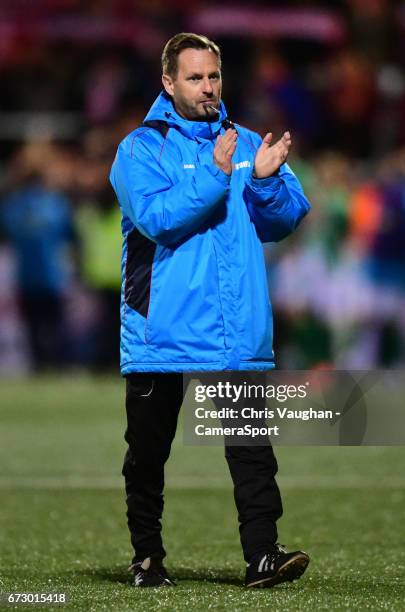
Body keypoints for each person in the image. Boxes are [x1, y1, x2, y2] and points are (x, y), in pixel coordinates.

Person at [110, 33, 311, 589]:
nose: (207, 87)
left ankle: (263, 556)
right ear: (168, 83)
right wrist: (216, 175)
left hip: (236, 325)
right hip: (162, 328)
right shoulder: (139, 150)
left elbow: (284, 220)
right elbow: (158, 219)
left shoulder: (247, 140)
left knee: (251, 452)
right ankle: (147, 557)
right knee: (149, 453)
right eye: (194, 78)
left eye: (214, 76)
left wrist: (267, 182)